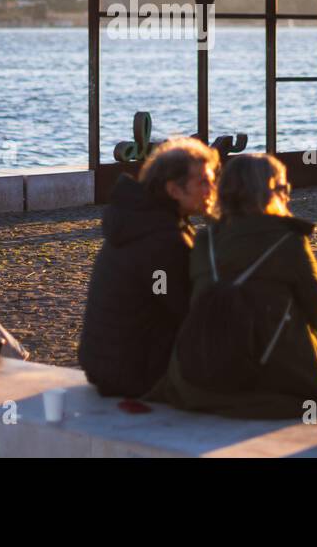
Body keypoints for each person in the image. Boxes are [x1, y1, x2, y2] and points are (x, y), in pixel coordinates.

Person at [147, 153, 317, 419]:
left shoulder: (204, 242)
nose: (287, 195)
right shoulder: (288, 241)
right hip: (270, 378)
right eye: (282, 187)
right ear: (269, 193)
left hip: (197, 378)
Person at [78, 137, 219, 398]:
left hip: (103, 365)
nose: (212, 188)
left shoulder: (140, 220)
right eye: (203, 182)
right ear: (174, 190)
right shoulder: (162, 239)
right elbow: (188, 311)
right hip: (136, 374)